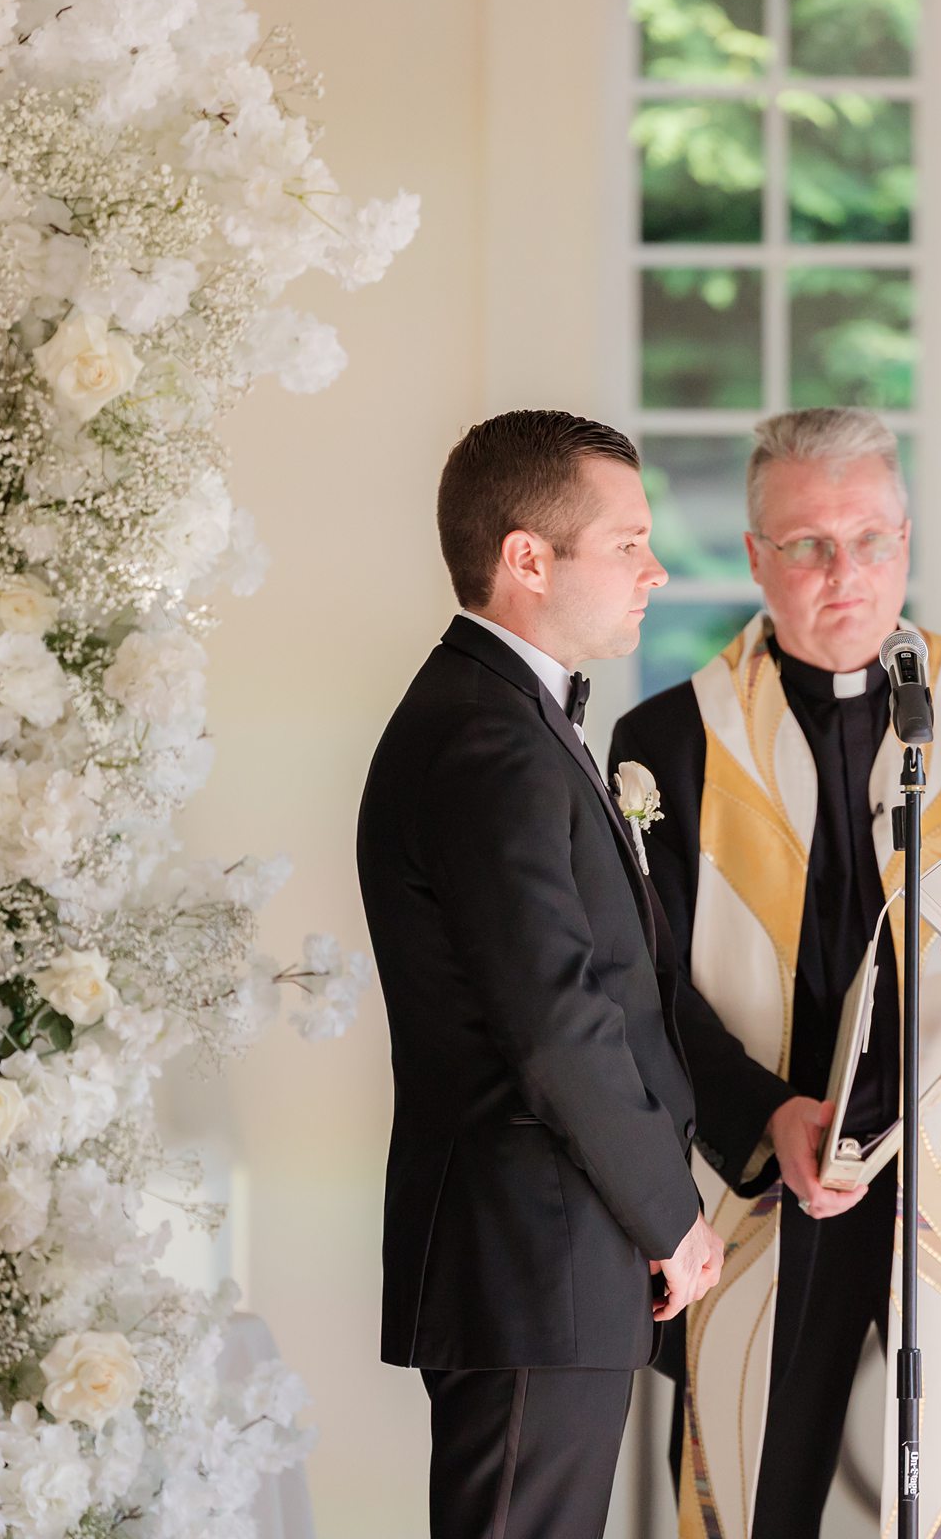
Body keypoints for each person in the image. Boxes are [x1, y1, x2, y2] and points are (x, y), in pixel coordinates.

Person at [607, 407, 941, 1539]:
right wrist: (763, 1116)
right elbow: (639, 990)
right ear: (755, 556)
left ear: (906, 537)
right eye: (807, 545)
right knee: (759, 1481)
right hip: (765, 1163)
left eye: (872, 539)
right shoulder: (668, 741)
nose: (846, 572)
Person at [358, 410, 725, 1539]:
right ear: (528, 558)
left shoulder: (510, 719)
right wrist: (671, 1216)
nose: (655, 569)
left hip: (552, 1250)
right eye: (628, 543)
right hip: (533, 1250)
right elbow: (555, 1022)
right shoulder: (486, 737)